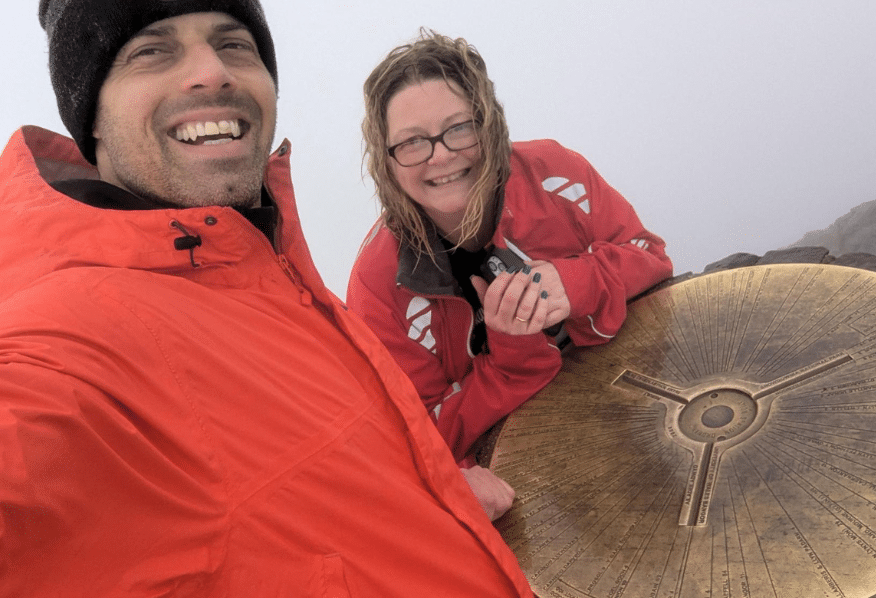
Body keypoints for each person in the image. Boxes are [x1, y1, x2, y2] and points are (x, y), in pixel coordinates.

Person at [0, 3, 534, 597]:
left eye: (235, 44)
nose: (212, 72)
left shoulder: (285, 285)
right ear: (91, 114)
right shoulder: (69, 334)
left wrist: (436, 493)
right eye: (151, 51)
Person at [347, 30, 673, 513]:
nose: (440, 155)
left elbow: (649, 255)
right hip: (517, 480)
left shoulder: (553, 171)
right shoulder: (378, 283)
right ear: (386, 161)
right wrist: (513, 352)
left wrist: (575, 281)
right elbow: (418, 431)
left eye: (459, 128)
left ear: (491, 124)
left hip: (636, 404)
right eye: (412, 142)